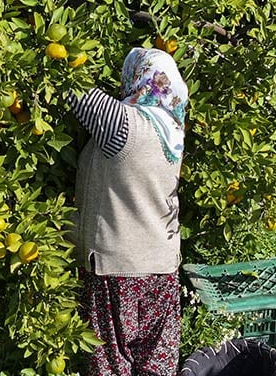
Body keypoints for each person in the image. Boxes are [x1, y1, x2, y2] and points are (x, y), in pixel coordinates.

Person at [69, 47, 190, 376]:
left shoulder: (123, 125)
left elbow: (67, 81)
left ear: (135, 78)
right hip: (162, 268)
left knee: (112, 365)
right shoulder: (173, 129)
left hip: (117, 270)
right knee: (155, 364)